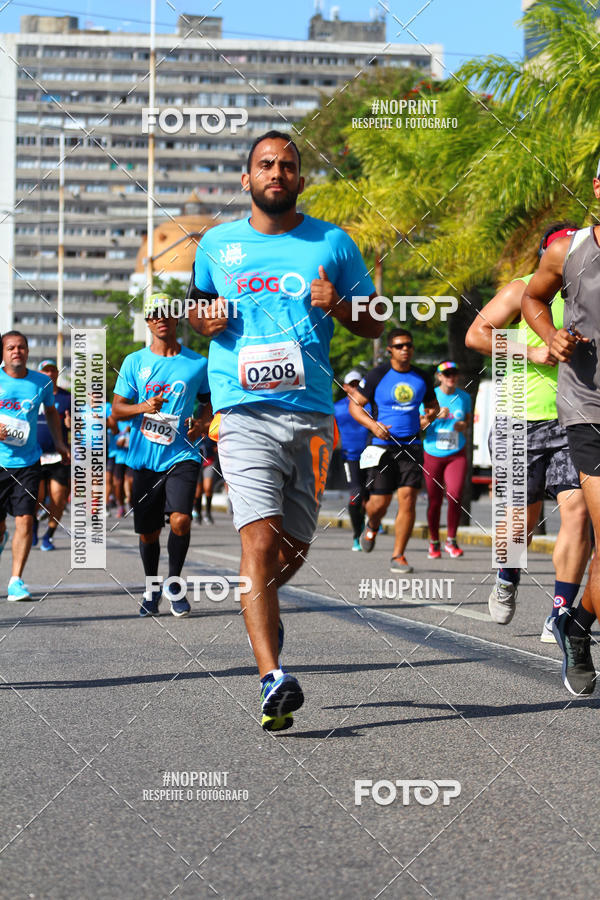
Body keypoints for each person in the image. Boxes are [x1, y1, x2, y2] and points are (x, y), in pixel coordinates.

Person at [189, 130, 381, 730]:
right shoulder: (217, 245)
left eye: (288, 165)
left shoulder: (333, 242)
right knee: (259, 543)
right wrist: (206, 318)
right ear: (247, 179)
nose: (277, 171)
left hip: (313, 417)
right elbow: (196, 308)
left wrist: (340, 305)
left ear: (300, 179)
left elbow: (375, 322)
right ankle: (272, 675)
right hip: (242, 411)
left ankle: (261, 602)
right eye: (266, 164)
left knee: (291, 546)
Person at [466, 222, 590, 642]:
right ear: (545, 258)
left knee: (578, 513)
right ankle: (506, 575)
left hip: (575, 418)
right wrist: (532, 349)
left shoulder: (589, 294)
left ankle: (560, 612)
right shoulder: (521, 289)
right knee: (523, 520)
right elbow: (476, 334)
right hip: (520, 418)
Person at [522, 185, 600, 694]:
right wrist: (549, 337)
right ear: (597, 187)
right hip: (589, 409)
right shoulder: (567, 250)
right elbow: (532, 298)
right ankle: (512, 579)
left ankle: (576, 622)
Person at [111, 293, 211, 618]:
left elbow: (209, 404)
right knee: (148, 532)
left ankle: (174, 584)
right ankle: (152, 586)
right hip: (144, 458)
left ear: (176, 318)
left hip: (182, 454)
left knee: (181, 519)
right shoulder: (134, 362)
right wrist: (142, 407)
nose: (161, 318)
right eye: (155, 314)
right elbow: (117, 410)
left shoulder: (197, 363)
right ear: (148, 321)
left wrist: (202, 422)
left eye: (167, 313)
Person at [349, 328, 439, 574]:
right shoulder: (377, 375)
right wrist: (373, 426)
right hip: (381, 447)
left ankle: (398, 555)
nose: (405, 349)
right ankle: (373, 524)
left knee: (408, 499)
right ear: (390, 350)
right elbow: (355, 406)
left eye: (409, 345)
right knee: (379, 503)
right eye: (399, 346)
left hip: (411, 446)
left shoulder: (421, 377)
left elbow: (433, 407)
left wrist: (428, 418)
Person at [0, 332, 70, 599]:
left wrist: (60, 443)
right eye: (10, 348)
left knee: (26, 521)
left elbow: (51, 412)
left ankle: (16, 580)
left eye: (21, 347)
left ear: (28, 352)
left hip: (28, 463)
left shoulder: (41, 382)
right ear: (3, 353)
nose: (16, 351)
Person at [421, 361, 471, 560]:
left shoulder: (464, 396)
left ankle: (451, 539)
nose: (451, 376)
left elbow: (466, 420)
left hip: (456, 452)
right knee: (434, 500)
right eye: (446, 373)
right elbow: (420, 424)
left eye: (454, 373)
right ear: (439, 376)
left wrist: (462, 425)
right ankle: (434, 542)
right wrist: (433, 417)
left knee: (455, 495)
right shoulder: (429, 396)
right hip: (433, 452)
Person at [34, 359, 71, 551]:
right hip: (34, 456)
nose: (49, 374)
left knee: (58, 498)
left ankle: (48, 535)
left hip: (58, 456)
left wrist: (71, 426)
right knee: (36, 497)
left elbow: (79, 426)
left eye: (52, 370)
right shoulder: (33, 394)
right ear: (40, 373)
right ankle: (32, 527)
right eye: (45, 371)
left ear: (57, 373)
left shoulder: (67, 398)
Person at [334, 370, 370, 551]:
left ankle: (370, 528)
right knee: (356, 496)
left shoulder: (372, 405)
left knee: (372, 497)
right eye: (352, 384)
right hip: (351, 458)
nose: (355, 387)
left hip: (373, 456)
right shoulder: (337, 407)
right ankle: (358, 534)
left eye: (358, 384)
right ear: (346, 386)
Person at [193, 435, 219, 525]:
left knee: (208, 488)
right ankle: (198, 515)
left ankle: (208, 514)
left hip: (209, 462)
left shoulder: (210, 434)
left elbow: (217, 444)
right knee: (198, 491)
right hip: (197, 463)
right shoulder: (195, 432)